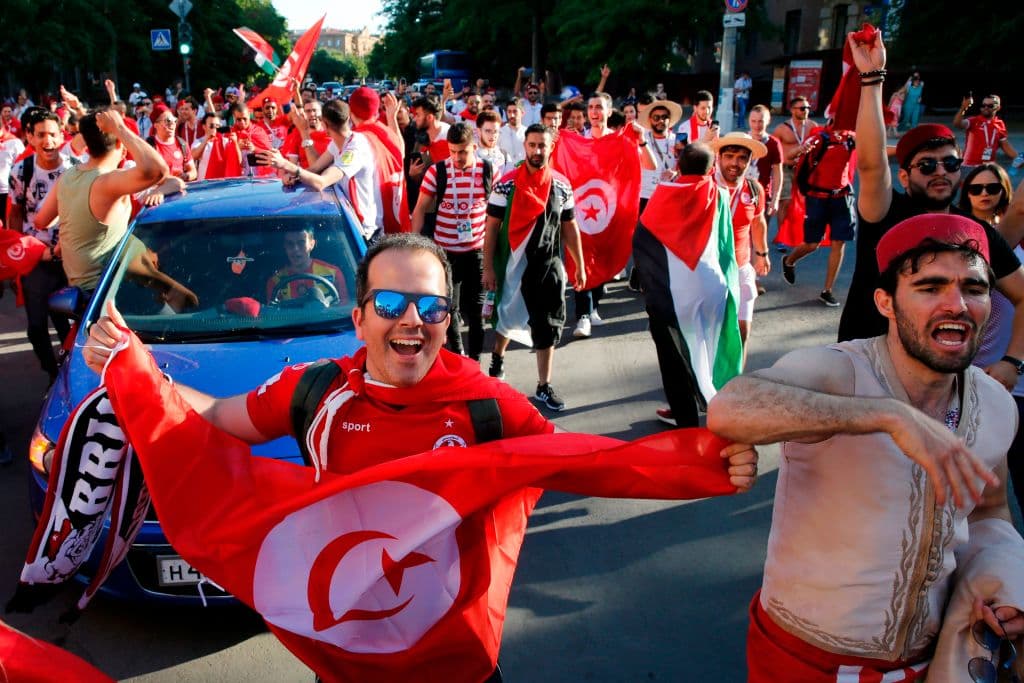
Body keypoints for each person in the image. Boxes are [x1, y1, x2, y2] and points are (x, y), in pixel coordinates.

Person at [83, 232, 757, 682]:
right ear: (360, 317)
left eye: (431, 304)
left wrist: (702, 464)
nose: (413, 318)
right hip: (346, 656)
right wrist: (134, 372)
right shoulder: (316, 390)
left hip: (457, 662)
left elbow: (588, 462)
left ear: (448, 316)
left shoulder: (486, 406)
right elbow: (214, 420)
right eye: (391, 302)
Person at [708, 213, 1024, 682]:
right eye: (930, 287)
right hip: (801, 661)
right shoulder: (841, 372)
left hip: (926, 662)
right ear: (886, 302)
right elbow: (733, 406)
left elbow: (987, 512)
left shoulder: (997, 406)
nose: (956, 304)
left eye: (974, 289)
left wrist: (1005, 583)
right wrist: (888, 417)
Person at [837, 31, 1024, 393]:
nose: (941, 171)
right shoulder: (886, 211)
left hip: (939, 383)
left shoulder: (976, 231)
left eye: (950, 163)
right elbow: (872, 164)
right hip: (865, 371)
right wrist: (873, 79)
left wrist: (1012, 361)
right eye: (927, 166)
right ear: (905, 176)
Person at [634, 143, 743, 428]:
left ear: (679, 166)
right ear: (711, 169)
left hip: (673, 294)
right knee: (708, 349)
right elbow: (725, 247)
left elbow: (643, 244)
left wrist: (649, 289)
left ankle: (686, 424)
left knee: (674, 361)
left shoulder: (661, 195)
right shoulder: (719, 194)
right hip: (712, 289)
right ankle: (719, 409)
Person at [483, 124, 586, 411]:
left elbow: (570, 227)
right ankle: (497, 359)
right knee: (507, 315)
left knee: (548, 323)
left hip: (549, 266)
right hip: (514, 265)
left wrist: (579, 264)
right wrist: (488, 268)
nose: (537, 151)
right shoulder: (506, 183)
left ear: (551, 148)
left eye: (543, 145)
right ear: (524, 146)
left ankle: (543, 385)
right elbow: (491, 228)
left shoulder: (562, 186)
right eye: (532, 145)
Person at [411, 122, 490, 360]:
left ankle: (475, 361)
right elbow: (419, 211)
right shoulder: (438, 172)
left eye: (462, 152)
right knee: (449, 309)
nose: (456, 157)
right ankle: (459, 357)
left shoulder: (487, 170)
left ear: (474, 147)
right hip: (445, 253)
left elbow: (497, 214)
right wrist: (414, 248)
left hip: (476, 251)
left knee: (476, 312)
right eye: (452, 151)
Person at [7, 107, 72, 380]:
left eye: (53, 134)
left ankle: (70, 374)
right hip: (35, 260)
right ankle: (52, 373)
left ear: (61, 136)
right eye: (41, 134)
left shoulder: (75, 168)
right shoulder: (21, 171)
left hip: (69, 260)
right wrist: (16, 260)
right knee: (36, 327)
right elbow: (15, 214)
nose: (49, 141)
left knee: (68, 325)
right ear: (30, 138)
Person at [259, 100, 380, 242]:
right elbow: (316, 168)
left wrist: (286, 165)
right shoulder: (338, 142)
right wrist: (294, 177)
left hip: (364, 232)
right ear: (348, 118)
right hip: (347, 223)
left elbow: (321, 182)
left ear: (324, 124)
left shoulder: (355, 148)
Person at [780, 123, 857, 307]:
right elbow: (789, 157)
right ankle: (789, 260)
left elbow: (876, 151)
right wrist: (801, 148)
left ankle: (827, 290)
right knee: (812, 244)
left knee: (839, 241)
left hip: (842, 196)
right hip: (818, 198)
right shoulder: (821, 137)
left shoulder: (851, 137)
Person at [711, 132, 770, 353]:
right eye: (730, 156)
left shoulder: (754, 189)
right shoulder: (706, 187)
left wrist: (762, 254)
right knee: (712, 334)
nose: (735, 163)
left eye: (742, 157)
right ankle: (704, 384)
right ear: (719, 157)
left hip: (742, 268)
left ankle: (735, 384)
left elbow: (758, 222)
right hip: (710, 271)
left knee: (742, 333)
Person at [772, 96, 818, 239]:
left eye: (808, 108)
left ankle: (798, 234)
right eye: (802, 108)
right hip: (786, 169)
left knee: (804, 203)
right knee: (785, 202)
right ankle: (782, 236)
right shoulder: (782, 129)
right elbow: (773, 148)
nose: (806, 111)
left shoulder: (812, 126)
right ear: (793, 110)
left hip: (804, 170)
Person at [265, 227, 347, 304]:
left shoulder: (333, 274)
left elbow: (343, 308)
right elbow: (276, 315)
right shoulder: (275, 282)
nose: (295, 249)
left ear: (312, 244)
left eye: (301, 243)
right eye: (290, 244)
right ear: (285, 247)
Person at [954, 93, 1022, 177]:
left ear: (998, 107)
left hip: (988, 167)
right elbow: (957, 124)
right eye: (984, 105)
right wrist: (963, 108)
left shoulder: (999, 124)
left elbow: (1005, 145)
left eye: (990, 106)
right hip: (969, 166)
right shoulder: (974, 121)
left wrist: (1019, 158)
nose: (986, 108)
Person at [146, 103, 196, 182]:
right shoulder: (148, 146)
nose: (172, 124)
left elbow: (193, 171)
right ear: (156, 125)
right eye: (168, 121)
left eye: (174, 120)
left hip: (180, 190)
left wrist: (186, 176)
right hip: (159, 192)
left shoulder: (182, 144)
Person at [498, 98, 526, 170]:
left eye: (515, 111)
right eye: (509, 112)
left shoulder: (528, 132)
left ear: (522, 113)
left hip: (524, 171)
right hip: (505, 173)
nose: (512, 115)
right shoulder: (499, 132)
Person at [474, 110, 505, 175]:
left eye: (495, 131)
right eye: (488, 131)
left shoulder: (504, 156)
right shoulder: (470, 156)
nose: (492, 135)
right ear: (478, 131)